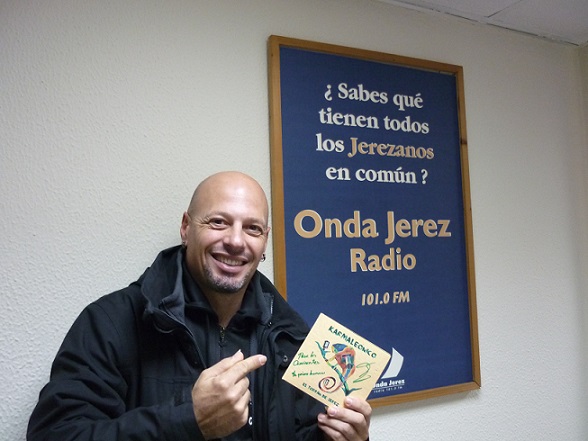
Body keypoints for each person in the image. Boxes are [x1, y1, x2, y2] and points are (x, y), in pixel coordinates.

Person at [27, 171, 371, 441]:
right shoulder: (111, 322)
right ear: (185, 228)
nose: (235, 241)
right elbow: (55, 434)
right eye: (218, 222)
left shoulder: (291, 334)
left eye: (252, 228)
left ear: (264, 240)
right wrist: (187, 420)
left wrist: (340, 438)